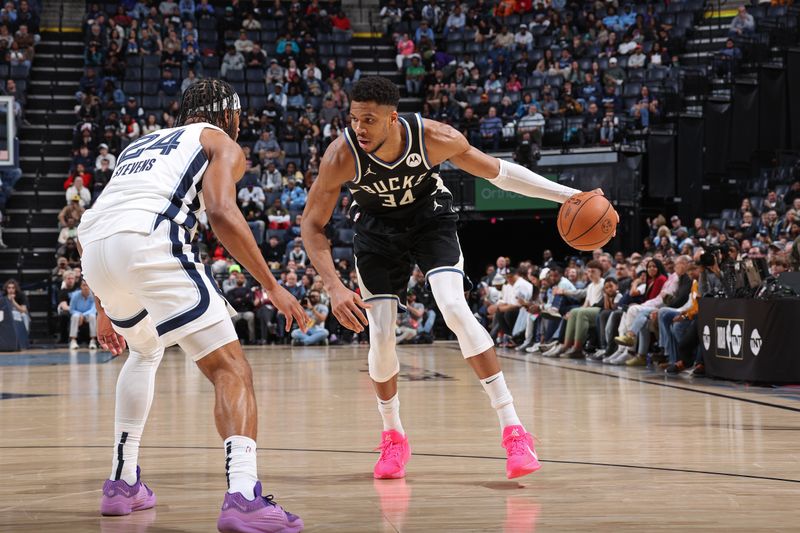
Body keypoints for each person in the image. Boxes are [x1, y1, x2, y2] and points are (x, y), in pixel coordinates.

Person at [301, 77, 617, 481]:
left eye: (369, 119)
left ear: (393, 119)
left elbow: (498, 172)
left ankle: (514, 430)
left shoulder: (434, 137)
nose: (359, 128)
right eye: (353, 118)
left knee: (453, 307)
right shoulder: (340, 156)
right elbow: (312, 223)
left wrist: (570, 196)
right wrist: (332, 284)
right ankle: (393, 435)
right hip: (376, 233)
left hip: (430, 219)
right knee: (381, 336)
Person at [77, 79, 306, 532]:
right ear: (229, 114)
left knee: (144, 350)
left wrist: (104, 305)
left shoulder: (139, 144)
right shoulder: (217, 140)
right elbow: (221, 212)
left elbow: (109, 218)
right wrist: (273, 286)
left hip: (95, 251)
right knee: (230, 368)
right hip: (147, 243)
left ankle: (122, 484)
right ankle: (243, 497)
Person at [68, 279, 98, 350]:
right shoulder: (75, 295)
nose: (85, 287)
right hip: (77, 314)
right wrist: (80, 314)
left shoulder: (94, 295)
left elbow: (94, 309)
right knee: (75, 316)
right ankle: (73, 341)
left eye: (87, 285)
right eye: (84, 285)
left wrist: (83, 315)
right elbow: (71, 309)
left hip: (88, 315)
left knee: (92, 316)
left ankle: (93, 341)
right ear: (81, 286)